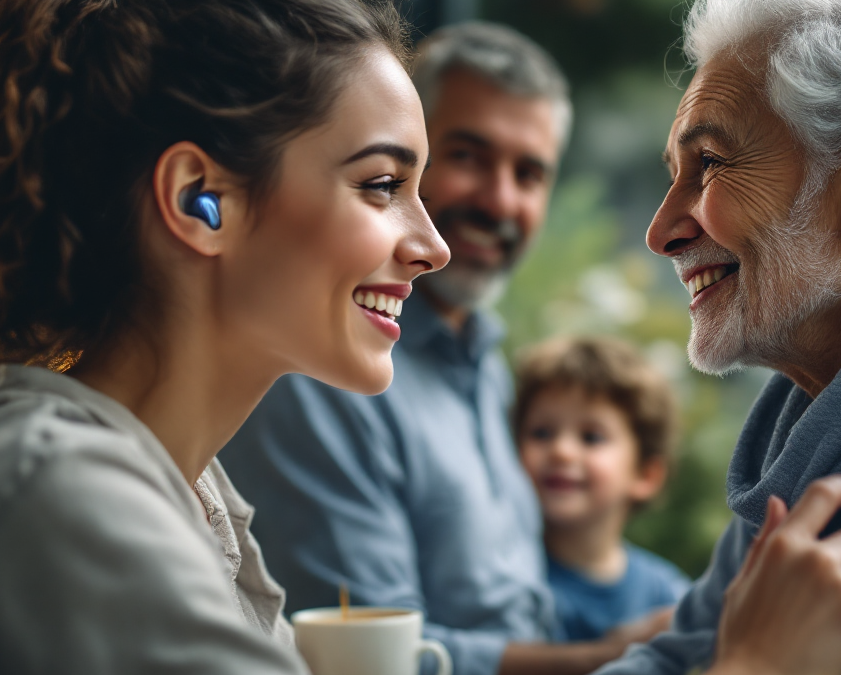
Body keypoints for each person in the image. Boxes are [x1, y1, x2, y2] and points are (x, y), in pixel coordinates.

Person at [0, 0, 450, 672]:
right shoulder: (61, 496)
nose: (433, 246)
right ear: (204, 199)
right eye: (381, 184)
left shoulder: (186, 497)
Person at [219, 22, 670, 675]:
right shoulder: (327, 364)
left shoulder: (485, 360)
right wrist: (612, 653)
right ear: (401, 155)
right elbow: (370, 653)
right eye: (467, 156)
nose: (500, 200)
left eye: (529, 172)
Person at [599, 0, 841, 674]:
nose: (661, 230)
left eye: (711, 163)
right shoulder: (809, 424)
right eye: (674, 174)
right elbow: (674, 655)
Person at [513, 336, 690, 643]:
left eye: (591, 437)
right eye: (541, 432)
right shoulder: (511, 578)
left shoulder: (668, 593)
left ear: (645, 475)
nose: (561, 451)